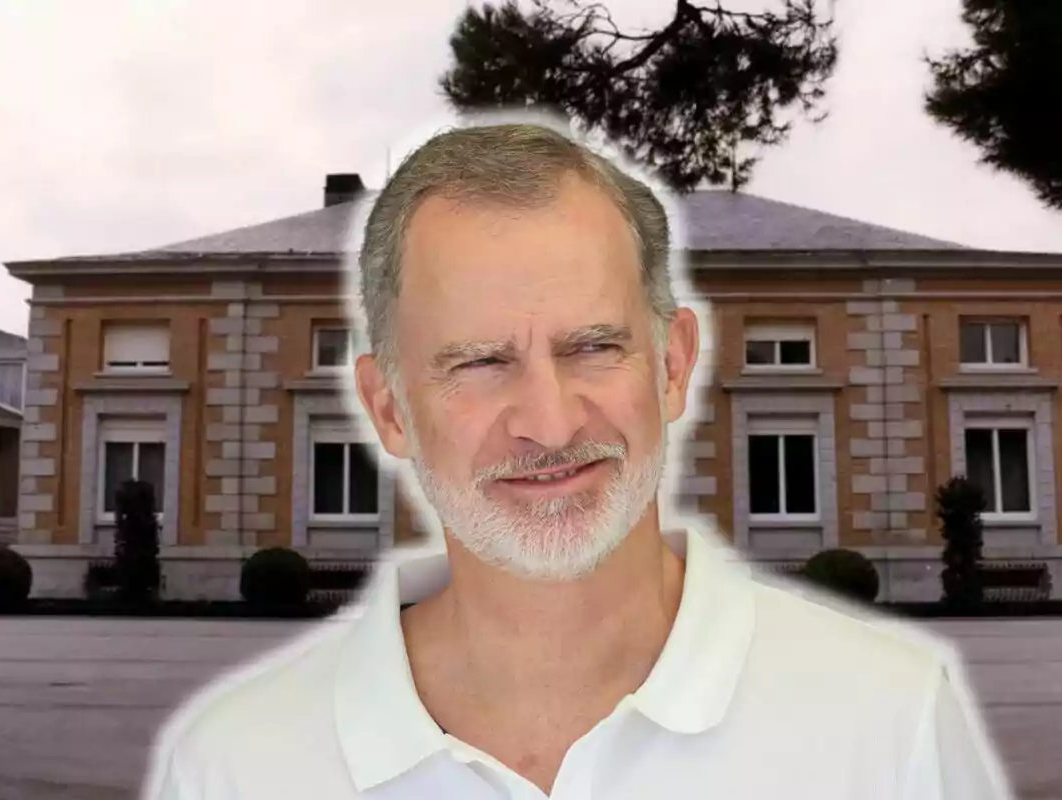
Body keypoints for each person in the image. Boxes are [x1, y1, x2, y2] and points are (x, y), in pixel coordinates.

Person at [142, 119, 1016, 799]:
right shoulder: (232, 764)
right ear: (387, 408)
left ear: (673, 365)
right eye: (481, 362)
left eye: (594, 347)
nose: (550, 425)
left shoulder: (892, 718)